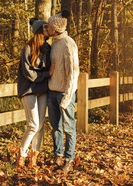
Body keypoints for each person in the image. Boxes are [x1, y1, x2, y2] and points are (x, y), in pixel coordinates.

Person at [17, 18, 54, 167]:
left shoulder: (48, 48)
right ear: (39, 30)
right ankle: (22, 154)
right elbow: (29, 74)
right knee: (33, 124)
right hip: (28, 90)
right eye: (45, 27)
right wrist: (47, 74)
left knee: (40, 125)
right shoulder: (27, 48)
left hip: (42, 90)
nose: (48, 29)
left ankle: (34, 156)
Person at [46, 10, 79, 173]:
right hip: (52, 92)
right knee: (55, 128)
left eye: (50, 25)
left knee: (68, 128)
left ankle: (69, 158)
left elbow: (73, 73)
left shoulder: (68, 44)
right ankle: (58, 155)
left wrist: (67, 96)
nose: (47, 28)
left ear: (56, 28)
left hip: (64, 94)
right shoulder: (54, 43)